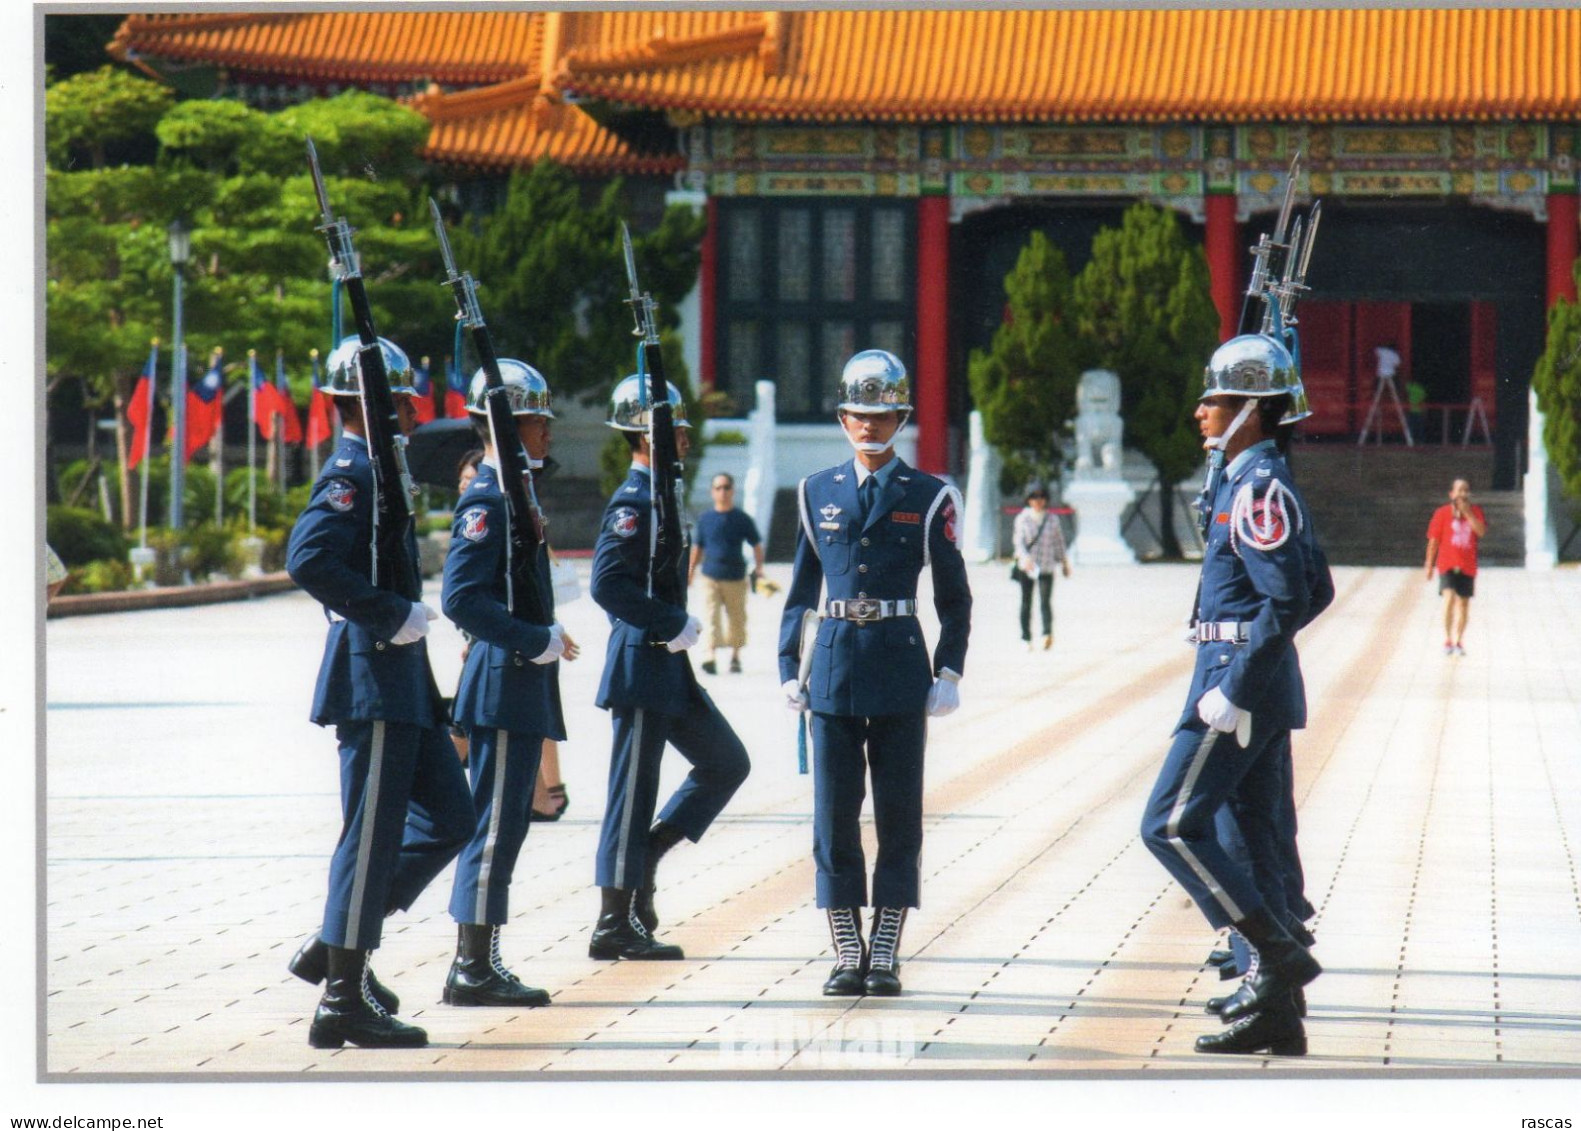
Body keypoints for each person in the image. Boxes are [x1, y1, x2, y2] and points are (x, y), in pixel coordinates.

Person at [1138, 334, 1333, 1057]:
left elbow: (1288, 599)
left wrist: (1238, 679)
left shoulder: (1256, 486)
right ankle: (1278, 1015)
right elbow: (1314, 587)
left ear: (1250, 408)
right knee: (1255, 844)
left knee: (1168, 824)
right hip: (1240, 676)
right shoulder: (1247, 477)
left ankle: (1273, 953)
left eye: (1212, 398)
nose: (1198, 410)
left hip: (1234, 687)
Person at [283, 335, 474, 1049]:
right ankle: (342, 996)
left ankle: (335, 945)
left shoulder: (379, 470)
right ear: (368, 404)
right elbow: (307, 556)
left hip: (403, 681)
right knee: (368, 841)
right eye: (397, 401)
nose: (408, 412)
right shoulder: (351, 471)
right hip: (372, 674)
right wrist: (390, 613)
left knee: (451, 816)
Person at [778, 349, 972, 997]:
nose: (869, 425)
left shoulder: (929, 494)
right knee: (832, 815)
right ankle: (844, 948)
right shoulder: (815, 492)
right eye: (859, 414)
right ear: (841, 417)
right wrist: (786, 663)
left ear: (902, 417)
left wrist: (948, 668)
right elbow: (801, 587)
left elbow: (954, 595)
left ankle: (884, 948)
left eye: (882, 414)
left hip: (897, 661)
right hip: (831, 662)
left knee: (897, 813)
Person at [587, 374, 751, 960]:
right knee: (630, 796)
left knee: (726, 762)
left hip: (668, 669)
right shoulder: (633, 502)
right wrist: (666, 621)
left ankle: (650, 853)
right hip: (641, 666)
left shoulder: (662, 494)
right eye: (677, 428)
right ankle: (612, 923)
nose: (686, 436)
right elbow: (606, 584)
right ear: (650, 433)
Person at [440, 359, 578, 1006]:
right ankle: (472, 964)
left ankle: (482, 957)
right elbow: (462, 597)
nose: (546, 431)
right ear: (505, 422)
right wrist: (534, 638)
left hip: (520, 680)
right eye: (536, 419)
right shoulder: (488, 497)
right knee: (493, 827)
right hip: (501, 678)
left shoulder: (514, 491)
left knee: (507, 827)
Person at [688, 472, 764, 675]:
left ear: (732, 490)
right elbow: (698, 548)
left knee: (737, 618)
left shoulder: (742, 519)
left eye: (726, 488)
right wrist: (690, 572)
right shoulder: (705, 519)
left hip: (735, 577)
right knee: (710, 616)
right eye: (718, 488)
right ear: (712, 492)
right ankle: (710, 655)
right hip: (710, 575)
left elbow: (756, 544)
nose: (722, 492)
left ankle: (735, 657)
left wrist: (759, 569)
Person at [1424, 478, 1486, 656]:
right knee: (1449, 598)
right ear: (1452, 494)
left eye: (1466, 490)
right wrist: (1429, 564)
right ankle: (1448, 639)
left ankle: (1459, 640)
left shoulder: (1476, 512)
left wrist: (1468, 514)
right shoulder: (1442, 513)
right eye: (1459, 490)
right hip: (1447, 564)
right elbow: (1433, 541)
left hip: (1467, 565)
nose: (1463, 494)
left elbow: (1480, 532)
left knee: (1463, 605)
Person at [1010, 485, 1070, 651]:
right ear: (1028, 499)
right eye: (1034, 497)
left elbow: (1059, 543)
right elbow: (1018, 542)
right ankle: (1025, 637)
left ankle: (1047, 633)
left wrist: (1064, 562)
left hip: (1046, 565)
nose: (1038, 501)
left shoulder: (1052, 519)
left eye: (1041, 497)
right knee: (1026, 601)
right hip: (1027, 566)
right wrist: (1025, 558)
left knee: (1045, 601)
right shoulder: (1022, 518)